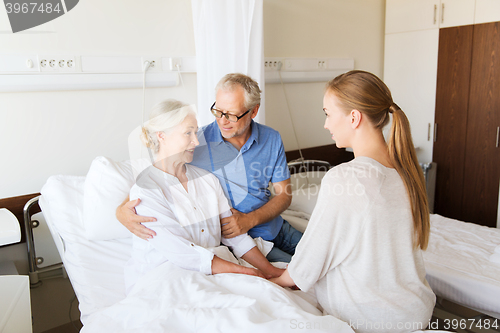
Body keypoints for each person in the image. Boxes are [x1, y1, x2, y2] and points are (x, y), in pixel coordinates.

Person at [270, 70, 436, 332]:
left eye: (327, 113)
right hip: (414, 309)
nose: (326, 124)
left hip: (376, 318)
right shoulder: (405, 169)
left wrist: (277, 280)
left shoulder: (347, 178)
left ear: (354, 117)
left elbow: (309, 262)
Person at [118, 73, 302, 263]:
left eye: (231, 114)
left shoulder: (271, 138)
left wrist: (250, 220)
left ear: (253, 111)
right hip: (246, 242)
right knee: (304, 273)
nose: (222, 120)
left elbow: (284, 195)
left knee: (327, 256)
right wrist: (121, 210)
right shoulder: (195, 142)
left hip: (275, 226)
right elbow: (157, 174)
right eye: (218, 111)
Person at [125, 100, 284, 293]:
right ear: (162, 136)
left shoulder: (207, 180)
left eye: (196, 131)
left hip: (219, 269)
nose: (197, 141)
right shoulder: (146, 191)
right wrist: (248, 273)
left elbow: (234, 236)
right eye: (188, 133)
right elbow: (184, 255)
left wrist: (270, 272)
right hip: (171, 279)